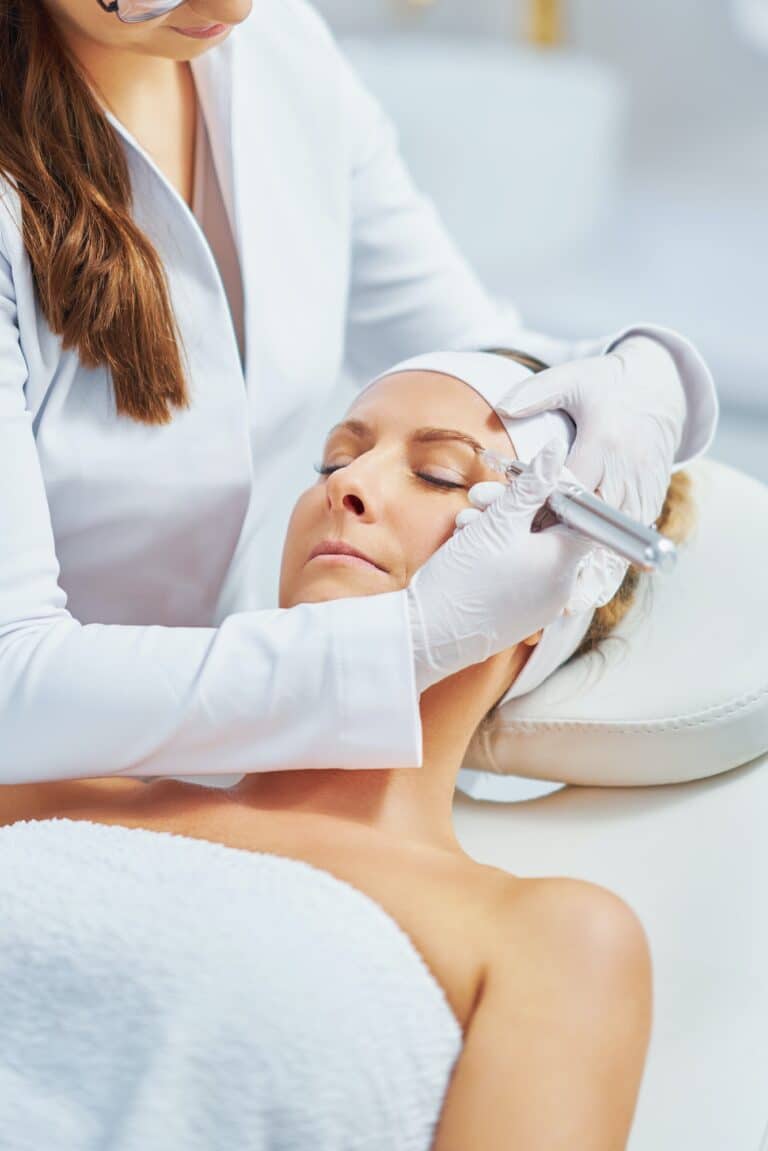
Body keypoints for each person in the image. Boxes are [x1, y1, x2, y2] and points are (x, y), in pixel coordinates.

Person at [0, 0, 718, 784]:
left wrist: (651, 374)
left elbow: (480, 365)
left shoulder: (281, 53)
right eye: (333, 459)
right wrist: (404, 643)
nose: (235, 9)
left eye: (436, 474)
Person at [0, 354, 696, 1147]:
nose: (348, 484)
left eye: (438, 473)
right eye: (334, 459)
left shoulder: (546, 938)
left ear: (550, 584)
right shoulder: (52, 785)